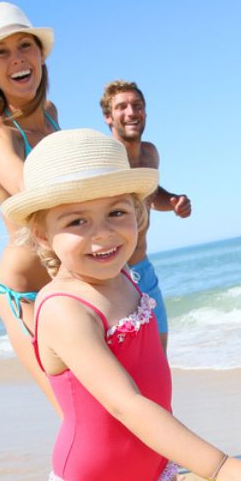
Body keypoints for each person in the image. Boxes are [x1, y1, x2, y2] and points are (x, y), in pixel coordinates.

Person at [1, 129, 241, 481]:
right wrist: (218, 466)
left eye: (116, 213)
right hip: (92, 479)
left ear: (138, 212)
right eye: (76, 221)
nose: (103, 234)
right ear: (42, 233)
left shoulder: (126, 276)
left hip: (153, 469)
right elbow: (125, 403)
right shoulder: (65, 309)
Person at [0, 2, 61, 400]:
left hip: (68, 276)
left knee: (113, 398)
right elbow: (35, 196)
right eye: (1, 52)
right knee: (75, 411)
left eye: (25, 45)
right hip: (28, 296)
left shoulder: (53, 114)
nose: (17, 58)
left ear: (40, 54)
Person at [100, 80, 192, 352]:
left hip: (144, 269)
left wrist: (173, 202)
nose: (131, 112)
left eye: (137, 106)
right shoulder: (104, 160)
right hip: (116, 274)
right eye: (121, 107)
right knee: (129, 359)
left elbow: (151, 195)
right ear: (108, 117)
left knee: (159, 355)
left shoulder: (150, 154)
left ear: (145, 113)